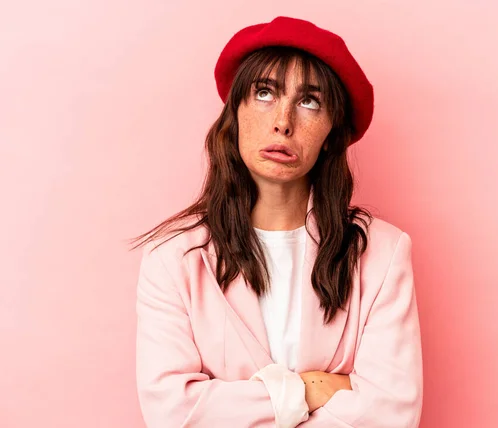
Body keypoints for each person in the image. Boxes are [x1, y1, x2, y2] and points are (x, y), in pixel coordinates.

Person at [131, 16, 423, 428]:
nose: (283, 121)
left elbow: (393, 412)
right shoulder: (172, 258)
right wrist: (308, 390)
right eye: (265, 93)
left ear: (331, 133)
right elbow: (173, 412)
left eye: (309, 101)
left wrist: (235, 402)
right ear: (236, 112)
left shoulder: (382, 253)